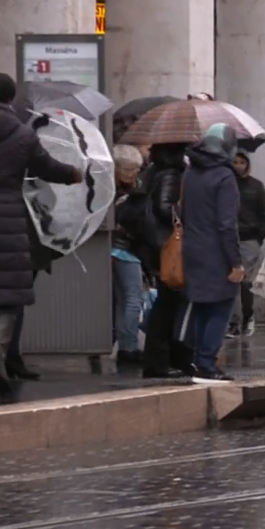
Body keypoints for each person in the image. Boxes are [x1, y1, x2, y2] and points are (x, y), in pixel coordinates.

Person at [0, 72, 81, 395]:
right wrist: (75, 173)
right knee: (8, 297)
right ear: (10, 98)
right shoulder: (23, 136)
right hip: (8, 223)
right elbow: (47, 168)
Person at [180, 124, 243, 383]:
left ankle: (197, 359)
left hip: (192, 247)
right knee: (220, 307)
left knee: (201, 306)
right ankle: (207, 363)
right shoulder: (224, 177)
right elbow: (227, 224)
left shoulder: (191, 173)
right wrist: (236, 262)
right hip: (216, 251)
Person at [140, 142, 194, 379]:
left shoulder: (153, 171)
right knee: (167, 305)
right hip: (168, 246)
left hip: (157, 245)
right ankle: (159, 362)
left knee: (166, 304)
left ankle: (160, 360)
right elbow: (165, 208)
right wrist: (184, 213)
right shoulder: (172, 175)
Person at [225, 151, 265, 339]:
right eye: (235, 161)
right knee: (232, 281)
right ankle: (234, 321)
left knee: (245, 282)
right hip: (230, 237)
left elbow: (263, 213)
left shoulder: (256, 186)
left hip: (249, 238)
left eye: (242, 162)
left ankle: (247, 316)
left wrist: (258, 236)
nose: (238, 165)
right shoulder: (225, 184)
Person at [111, 145, 147, 367]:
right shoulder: (129, 195)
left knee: (123, 300)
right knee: (134, 299)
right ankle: (129, 347)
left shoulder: (109, 188)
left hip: (114, 249)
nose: (134, 173)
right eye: (130, 169)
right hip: (127, 250)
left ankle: (126, 345)